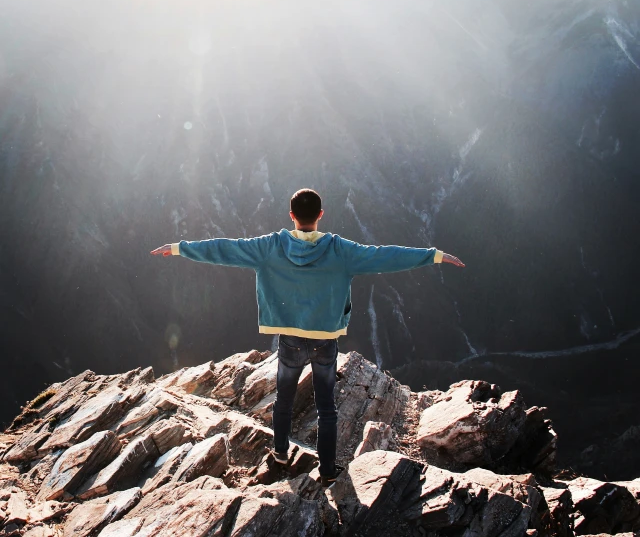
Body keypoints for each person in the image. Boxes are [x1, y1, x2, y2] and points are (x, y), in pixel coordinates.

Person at [151, 188, 464, 486]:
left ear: (291, 216)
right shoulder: (341, 251)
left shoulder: (270, 247)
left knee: (284, 401)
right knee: (327, 408)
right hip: (325, 339)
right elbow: (385, 256)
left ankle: (281, 455)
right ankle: (328, 470)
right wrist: (433, 255)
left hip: (289, 338)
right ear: (321, 215)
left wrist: (179, 248)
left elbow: (224, 248)